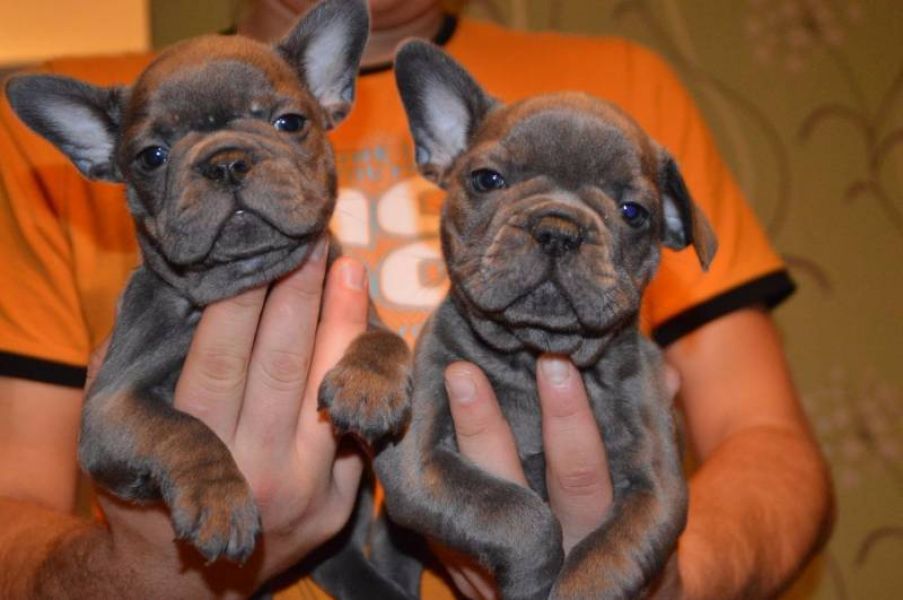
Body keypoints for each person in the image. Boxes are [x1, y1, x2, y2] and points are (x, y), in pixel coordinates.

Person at [0, 0, 832, 598]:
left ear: (327, 97)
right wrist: (145, 573)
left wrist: (654, 576)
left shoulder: (627, 96)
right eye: (154, 157)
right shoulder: (68, 129)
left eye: (286, 124)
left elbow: (768, 443)